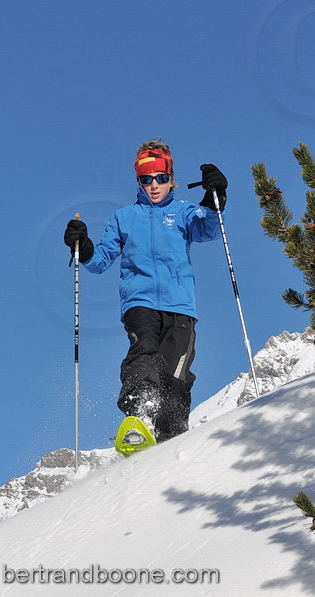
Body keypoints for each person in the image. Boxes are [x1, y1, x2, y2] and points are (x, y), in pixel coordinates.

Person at [63, 140, 227, 443]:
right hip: (140, 303)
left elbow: (208, 229)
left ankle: (170, 438)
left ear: (171, 179)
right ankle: (138, 414)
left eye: (161, 178)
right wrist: (83, 248)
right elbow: (99, 262)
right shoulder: (124, 218)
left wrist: (214, 195)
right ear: (138, 181)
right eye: (146, 179)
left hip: (181, 308)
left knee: (175, 378)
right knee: (145, 354)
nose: (154, 186)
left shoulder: (184, 212)